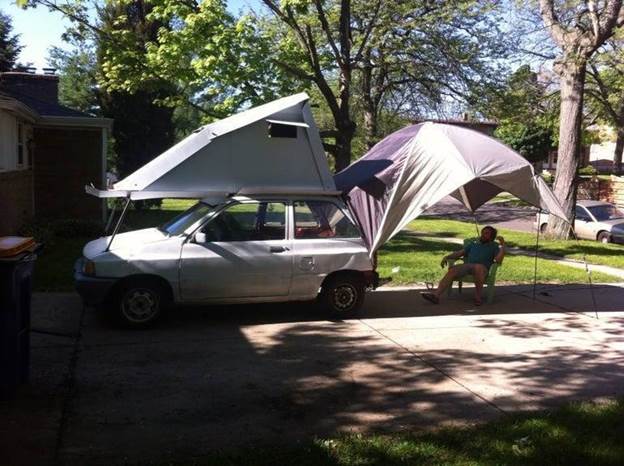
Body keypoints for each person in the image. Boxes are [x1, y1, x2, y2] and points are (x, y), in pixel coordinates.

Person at [420, 226, 505, 306]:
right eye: (483, 232)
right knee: (453, 270)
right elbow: (459, 253)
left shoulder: (494, 246)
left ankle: (478, 297)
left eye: (486, 233)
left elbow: (498, 260)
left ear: (492, 236)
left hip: (482, 268)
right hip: (467, 266)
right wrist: (447, 257)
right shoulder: (473, 244)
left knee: (478, 267)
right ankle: (436, 295)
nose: (483, 235)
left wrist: (502, 245)